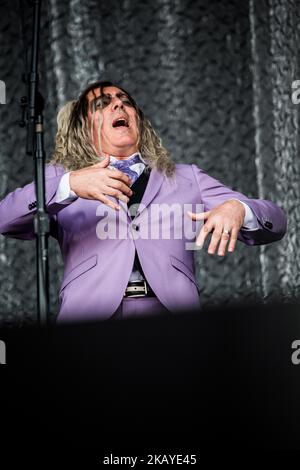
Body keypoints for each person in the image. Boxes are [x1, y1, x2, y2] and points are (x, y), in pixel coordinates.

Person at [0, 81, 287, 322]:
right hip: (89, 321)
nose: (118, 105)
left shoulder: (186, 178)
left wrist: (239, 208)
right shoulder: (62, 179)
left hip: (173, 321)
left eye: (125, 101)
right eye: (102, 103)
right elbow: (5, 219)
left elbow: (276, 222)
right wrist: (70, 184)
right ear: (83, 128)